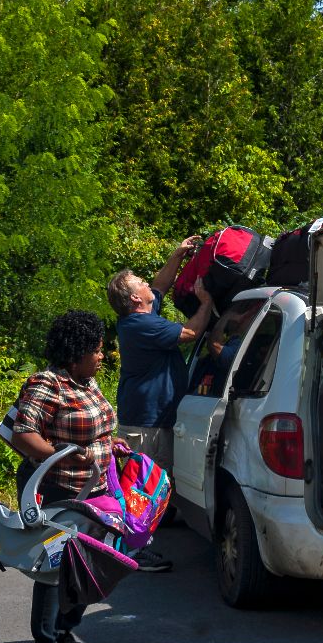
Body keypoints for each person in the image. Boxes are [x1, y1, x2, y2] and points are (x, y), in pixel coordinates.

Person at [9, 309, 120, 643]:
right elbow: (24, 433)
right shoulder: (47, 383)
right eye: (97, 350)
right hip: (56, 490)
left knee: (87, 567)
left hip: (94, 491)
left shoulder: (87, 382)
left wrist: (109, 444)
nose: (102, 356)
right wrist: (61, 455)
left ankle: (64, 632)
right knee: (53, 570)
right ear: (76, 352)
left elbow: (94, 427)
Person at [107, 238, 215, 573]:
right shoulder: (141, 325)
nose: (146, 283)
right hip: (145, 422)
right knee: (140, 488)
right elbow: (191, 332)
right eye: (139, 282)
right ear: (136, 299)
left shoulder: (141, 312)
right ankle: (131, 552)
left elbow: (160, 284)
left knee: (154, 480)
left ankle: (147, 530)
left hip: (154, 418)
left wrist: (177, 255)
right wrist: (207, 302)